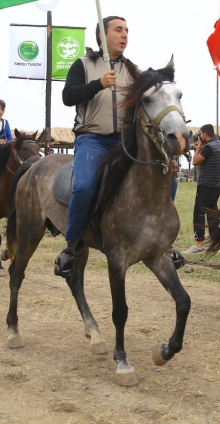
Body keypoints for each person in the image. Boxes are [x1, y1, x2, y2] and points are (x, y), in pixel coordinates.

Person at [55, 15, 138, 277]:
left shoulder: (133, 70)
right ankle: (73, 243)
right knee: (84, 186)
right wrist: (98, 84)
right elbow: (68, 96)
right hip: (92, 139)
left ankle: (161, 240)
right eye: (118, 30)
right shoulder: (82, 64)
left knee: (167, 178)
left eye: (127, 30)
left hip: (125, 141)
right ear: (102, 36)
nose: (124, 35)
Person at [187, 124, 220, 253]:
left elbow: (195, 162)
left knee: (199, 213)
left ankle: (199, 244)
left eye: (201, 134)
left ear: (204, 134)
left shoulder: (208, 147)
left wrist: (198, 146)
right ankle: (215, 244)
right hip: (216, 185)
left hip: (206, 185)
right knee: (212, 213)